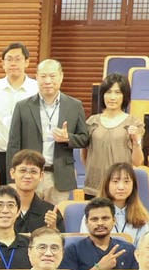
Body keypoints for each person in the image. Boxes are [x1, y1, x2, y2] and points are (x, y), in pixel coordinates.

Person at [6, 58, 90, 198]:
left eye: (52, 76)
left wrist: (68, 138)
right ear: (37, 77)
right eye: (43, 76)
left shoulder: (74, 106)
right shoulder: (23, 106)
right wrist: (12, 179)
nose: (47, 81)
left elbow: (84, 139)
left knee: (57, 212)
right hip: (30, 175)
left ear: (61, 77)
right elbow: (13, 145)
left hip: (60, 176)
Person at [0, 42, 39, 183]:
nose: (13, 63)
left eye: (18, 59)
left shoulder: (37, 89)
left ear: (27, 62)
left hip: (29, 156)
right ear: (3, 64)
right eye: (9, 59)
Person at [60, 198, 138, 270]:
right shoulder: (73, 249)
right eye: (94, 219)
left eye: (105, 218)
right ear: (86, 223)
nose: (100, 223)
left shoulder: (128, 249)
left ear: (114, 220)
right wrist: (98, 268)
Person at [85, 73, 145, 193]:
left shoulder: (133, 123)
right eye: (108, 92)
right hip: (93, 186)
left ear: (125, 96)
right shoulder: (92, 122)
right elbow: (85, 155)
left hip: (120, 188)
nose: (112, 97)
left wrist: (136, 141)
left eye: (117, 93)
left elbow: (137, 162)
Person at [0, 149, 57, 235]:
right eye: (22, 171)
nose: (28, 176)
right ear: (12, 173)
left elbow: (61, 240)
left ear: (41, 176)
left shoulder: (50, 212)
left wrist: (53, 229)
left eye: (33, 172)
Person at [102, 161, 149, 246]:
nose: (121, 187)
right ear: (106, 185)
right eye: (115, 181)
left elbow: (144, 249)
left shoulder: (142, 217)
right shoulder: (93, 214)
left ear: (133, 186)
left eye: (126, 181)